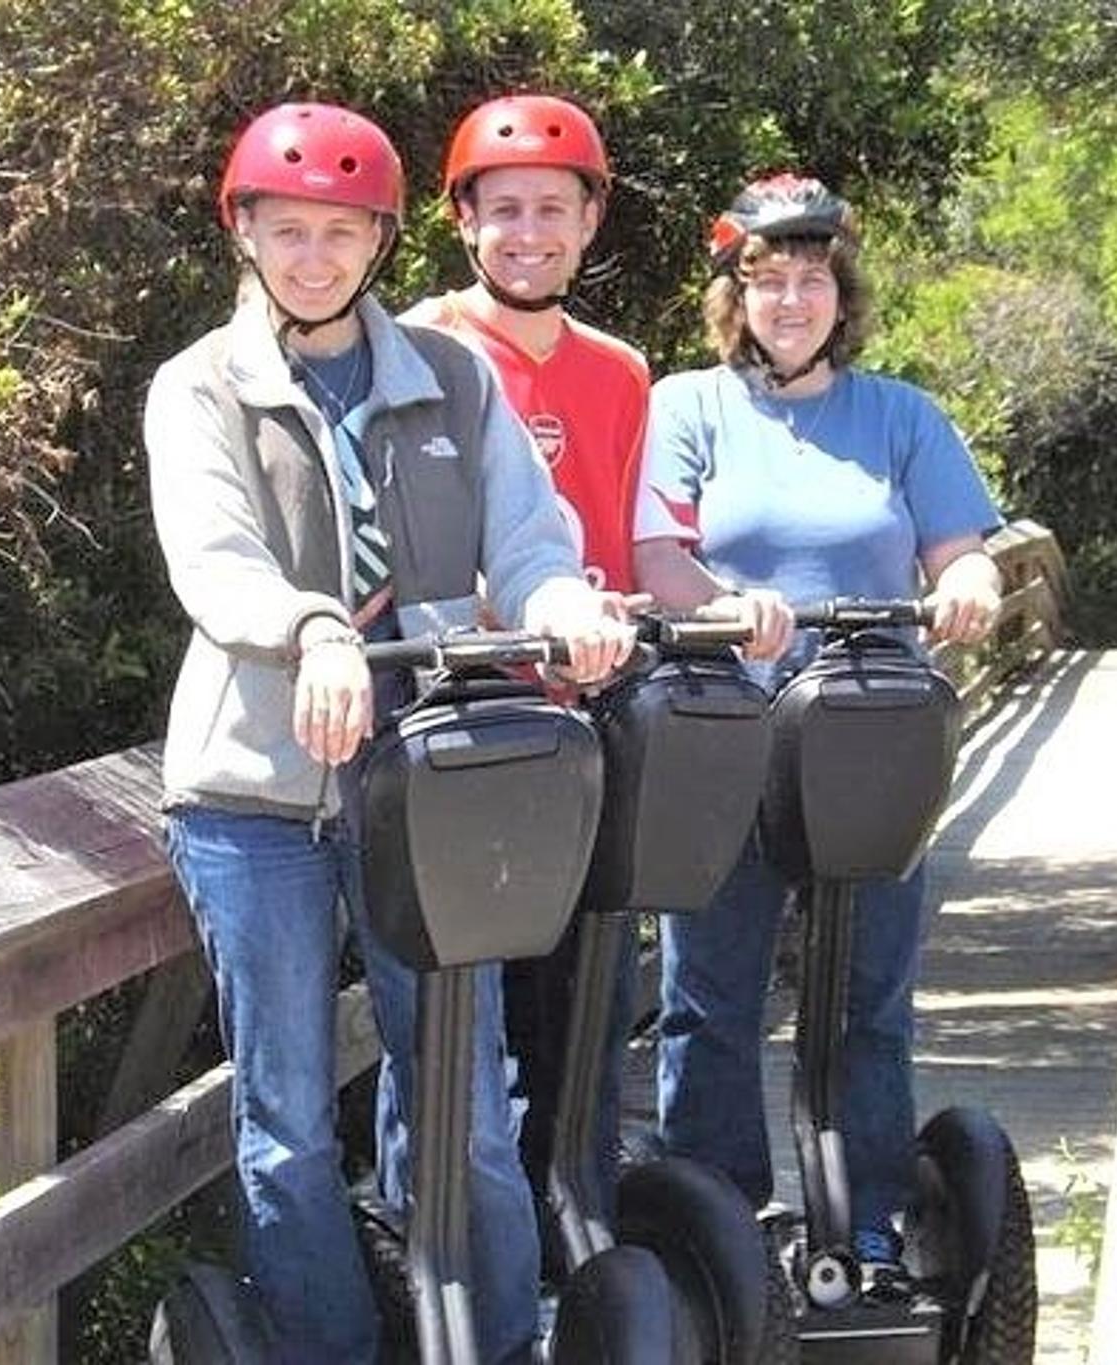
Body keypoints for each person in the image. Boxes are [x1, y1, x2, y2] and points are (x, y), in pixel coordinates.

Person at [146, 101, 633, 1364]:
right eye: (289, 230)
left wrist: (560, 598)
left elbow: (526, 538)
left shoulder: (448, 378)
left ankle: (498, 1341)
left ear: (379, 241)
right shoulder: (200, 388)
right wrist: (312, 630)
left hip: (432, 785)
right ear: (243, 233)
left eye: (343, 234)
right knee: (292, 1119)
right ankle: (328, 1347)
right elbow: (215, 562)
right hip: (255, 799)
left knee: (466, 1100)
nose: (316, 257)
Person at [630, 172, 1004, 1295]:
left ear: (841, 295)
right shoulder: (686, 407)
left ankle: (869, 1225)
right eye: (766, 283)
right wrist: (715, 605)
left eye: (810, 281)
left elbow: (959, 548)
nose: (789, 302)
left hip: (868, 744)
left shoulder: (898, 415)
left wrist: (972, 584)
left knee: (868, 997)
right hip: (729, 735)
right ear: (732, 298)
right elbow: (654, 553)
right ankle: (715, 1224)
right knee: (709, 994)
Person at [400, 93, 648, 1229]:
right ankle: (452, 1238)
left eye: (553, 208)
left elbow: (625, 532)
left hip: (589, 712)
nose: (529, 232)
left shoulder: (620, 372)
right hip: (472, 722)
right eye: (504, 210)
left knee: (586, 994)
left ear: (590, 222)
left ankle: (574, 1230)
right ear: (463, 222)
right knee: (467, 1002)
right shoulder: (423, 349)